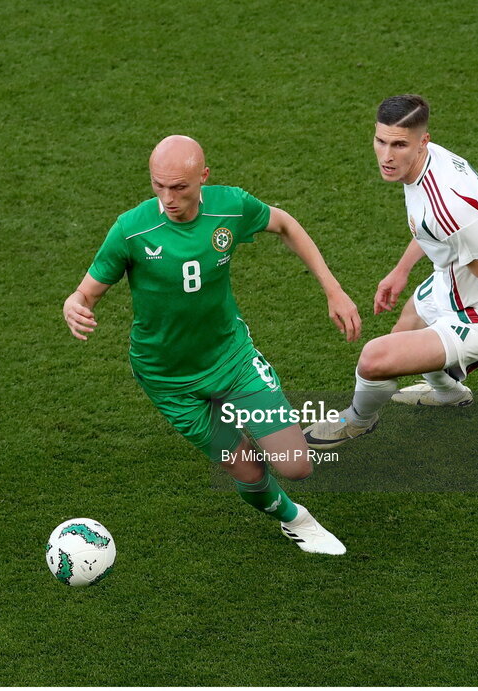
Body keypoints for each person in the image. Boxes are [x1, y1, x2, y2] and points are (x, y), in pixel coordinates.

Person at [63, 135, 361, 555]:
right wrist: (73, 305)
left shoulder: (230, 207)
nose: (167, 198)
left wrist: (333, 289)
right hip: (169, 380)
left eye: (180, 187)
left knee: (296, 465)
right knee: (251, 473)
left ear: (203, 177)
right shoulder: (131, 230)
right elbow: (85, 293)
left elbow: (285, 224)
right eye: (158, 185)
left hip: (230, 361)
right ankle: (296, 520)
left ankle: (247, 417)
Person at [303, 95, 478, 449]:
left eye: (399, 145)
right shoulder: (429, 161)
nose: (387, 156)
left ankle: (357, 420)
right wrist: (401, 270)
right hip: (454, 281)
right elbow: (431, 228)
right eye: (381, 141)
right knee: (404, 328)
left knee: (375, 359)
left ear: (422, 140)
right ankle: (449, 393)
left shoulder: (450, 206)